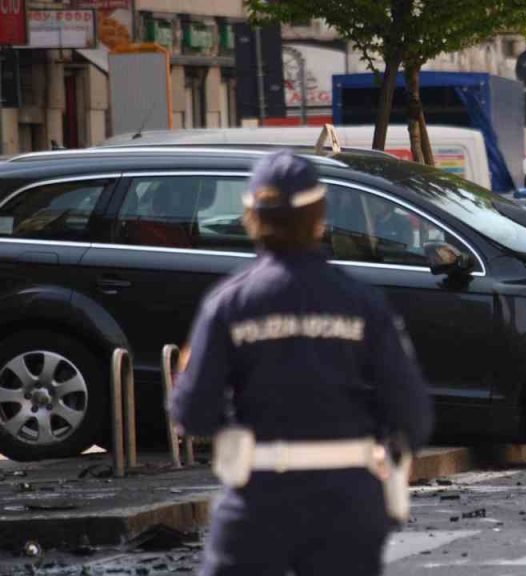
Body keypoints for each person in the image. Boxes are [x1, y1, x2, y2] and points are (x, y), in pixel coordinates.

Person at [170, 150, 433, 576]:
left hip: (259, 501)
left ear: (251, 216)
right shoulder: (364, 304)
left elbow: (192, 411)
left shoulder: (228, 305)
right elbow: (413, 414)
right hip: (349, 502)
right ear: (320, 216)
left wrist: (225, 428)